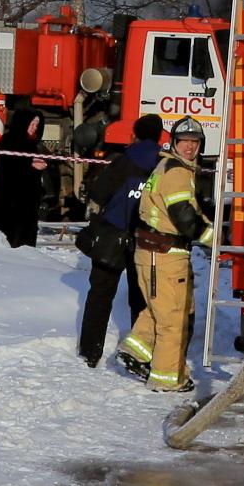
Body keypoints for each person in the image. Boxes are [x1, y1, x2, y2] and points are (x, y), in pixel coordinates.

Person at [117, 117, 213, 393]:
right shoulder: (178, 172)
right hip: (166, 255)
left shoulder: (165, 166)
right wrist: (213, 238)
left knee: (159, 309)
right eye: (184, 142)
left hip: (152, 254)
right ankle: (168, 379)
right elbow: (184, 217)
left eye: (195, 143)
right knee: (174, 318)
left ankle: (136, 351)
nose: (189, 148)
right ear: (173, 142)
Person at [76, 114, 162, 368]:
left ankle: (90, 352)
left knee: (100, 296)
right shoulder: (163, 164)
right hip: (145, 240)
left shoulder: (123, 161)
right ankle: (139, 353)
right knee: (141, 299)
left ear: (135, 134)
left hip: (112, 237)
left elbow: (99, 192)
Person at [0, 101, 48, 248]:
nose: (34, 128)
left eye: (37, 125)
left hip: (25, 206)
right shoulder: (9, 140)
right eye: (32, 123)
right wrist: (31, 166)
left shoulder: (33, 145)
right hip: (7, 203)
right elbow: (10, 170)